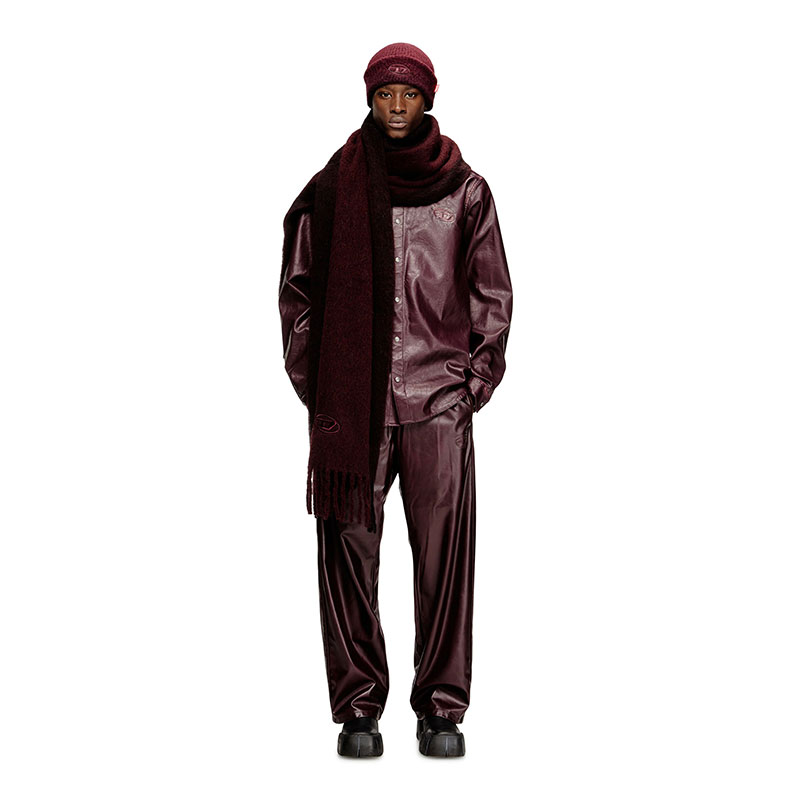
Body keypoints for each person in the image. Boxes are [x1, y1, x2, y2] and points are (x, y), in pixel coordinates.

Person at [278, 42, 513, 758]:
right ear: (370, 99)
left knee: (444, 564)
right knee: (348, 557)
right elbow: (298, 294)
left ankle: (441, 710)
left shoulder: (466, 191)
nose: (398, 107)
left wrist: (470, 389)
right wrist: (321, 388)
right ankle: (359, 710)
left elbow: (492, 294)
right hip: (356, 411)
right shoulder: (335, 185)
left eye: (410, 94)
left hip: (439, 405)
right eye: (385, 94)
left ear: (429, 99)